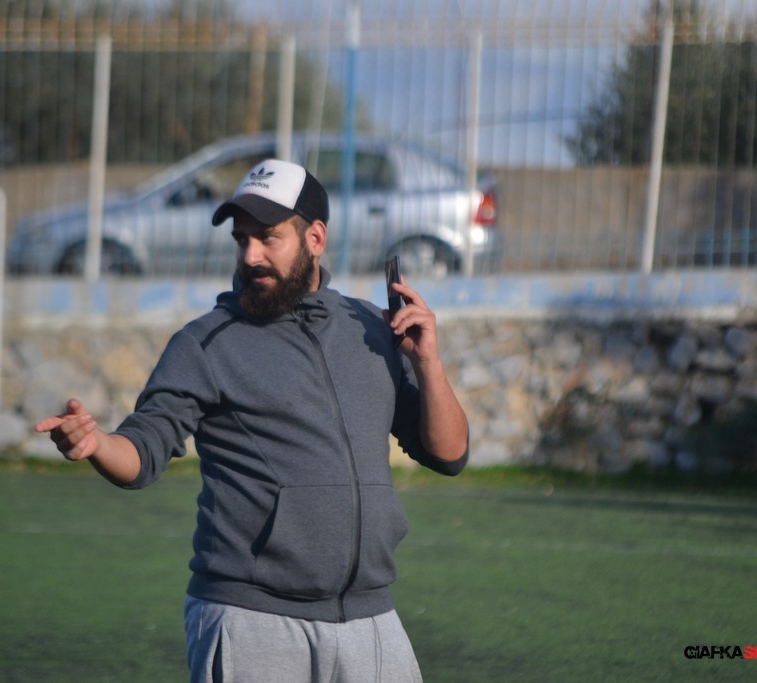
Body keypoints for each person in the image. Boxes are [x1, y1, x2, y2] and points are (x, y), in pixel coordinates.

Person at [35, 158, 470, 682]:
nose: (250, 255)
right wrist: (97, 444)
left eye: (268, 238)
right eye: (241, 239)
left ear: (315, 238)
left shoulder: (373, 330)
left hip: (372, 617)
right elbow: (143, 451)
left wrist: (428, 363)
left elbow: (449, 455)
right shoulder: (206, 342)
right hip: (252, 619)